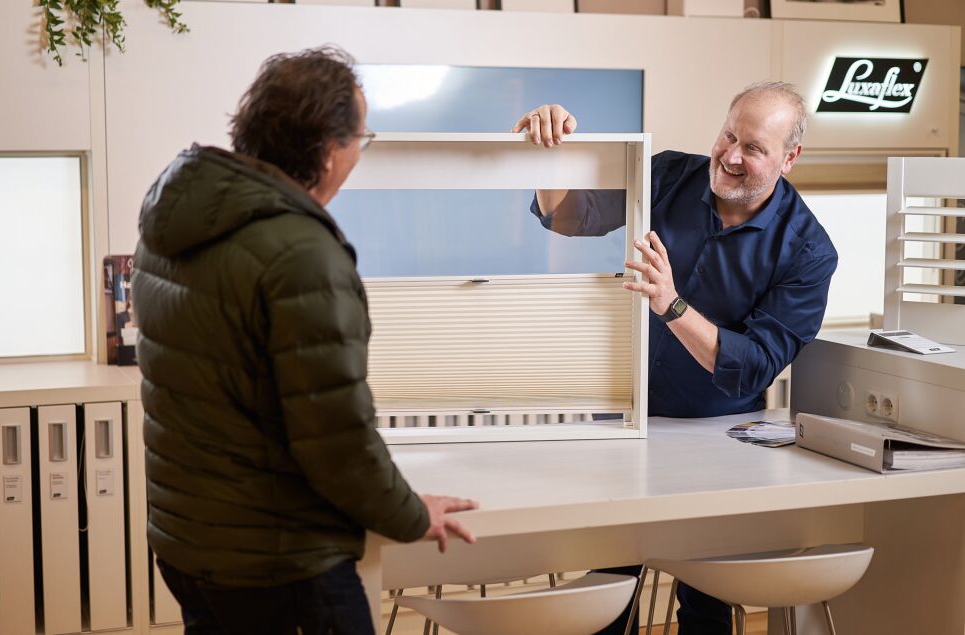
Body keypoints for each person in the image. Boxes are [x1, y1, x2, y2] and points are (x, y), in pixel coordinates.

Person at [131, 47, 478, 635]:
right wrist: (409, 513)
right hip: (278, 562)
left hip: (187, 545)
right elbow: (336, 439)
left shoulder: (174, 222)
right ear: (326, 150)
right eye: (360, 139)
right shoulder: (301, 253)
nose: (358, 156)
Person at [512, 82, 838, 634]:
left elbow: (755, 365)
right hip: (634, 425)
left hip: (720, 442)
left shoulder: (808, 251)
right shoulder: (668, 174)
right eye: (728, 135)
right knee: (609, 589)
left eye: (753, 148)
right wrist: (553, 154)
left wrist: (672, 304)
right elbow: (568, 217)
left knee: (706, 601)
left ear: (790, 158)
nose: (731, 156)